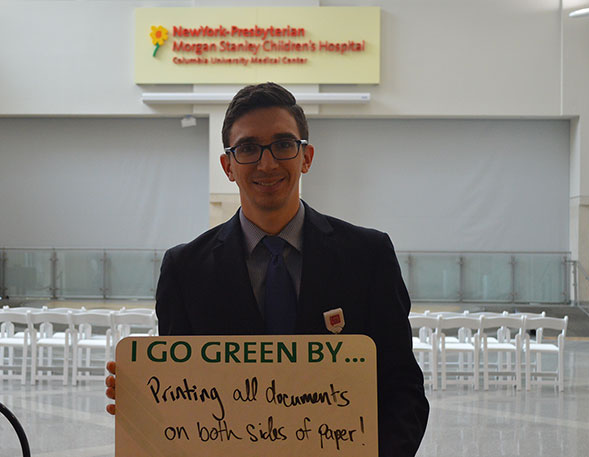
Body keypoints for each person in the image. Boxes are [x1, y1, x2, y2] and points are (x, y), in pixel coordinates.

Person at [105, 82, 429, 456]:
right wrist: (145, 395)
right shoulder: (185, 269)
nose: (267, 162)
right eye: (247, 148)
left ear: (306, 157)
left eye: (283, 144)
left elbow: (402, 388)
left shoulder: (368, 256)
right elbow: (185, 398)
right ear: (228, 165)